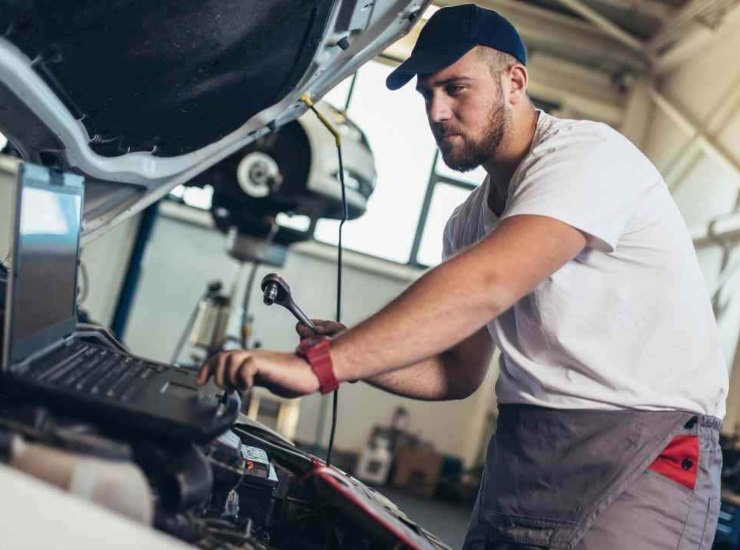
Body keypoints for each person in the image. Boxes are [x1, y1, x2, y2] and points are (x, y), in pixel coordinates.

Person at [198, 4, 728, 548]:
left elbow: (488, 282)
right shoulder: (467, 222)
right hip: (528, 456)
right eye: (427, 94)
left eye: (456, 89)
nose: (437, 111)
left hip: (641, 457)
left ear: (514, 81)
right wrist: (360, 353)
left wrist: (322, 367)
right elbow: (457, 373)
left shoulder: (587, 157)